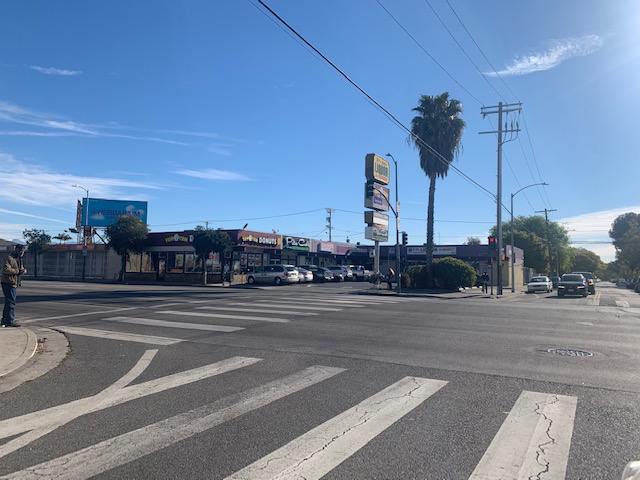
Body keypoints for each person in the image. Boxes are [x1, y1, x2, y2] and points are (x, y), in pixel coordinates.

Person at [2, 244, 27, 327]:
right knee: (11, 302)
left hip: (14, 283)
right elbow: (6, 269)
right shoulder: (9, 258)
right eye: (20, 250)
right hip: (8, 283)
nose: (21, 252)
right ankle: (10, 321)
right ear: (15, 249)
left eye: (23, 251)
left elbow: (20, 269)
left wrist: (23, 270)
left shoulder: (19, 259)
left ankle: (5, 320)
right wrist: (17, 271)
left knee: (8, 302)